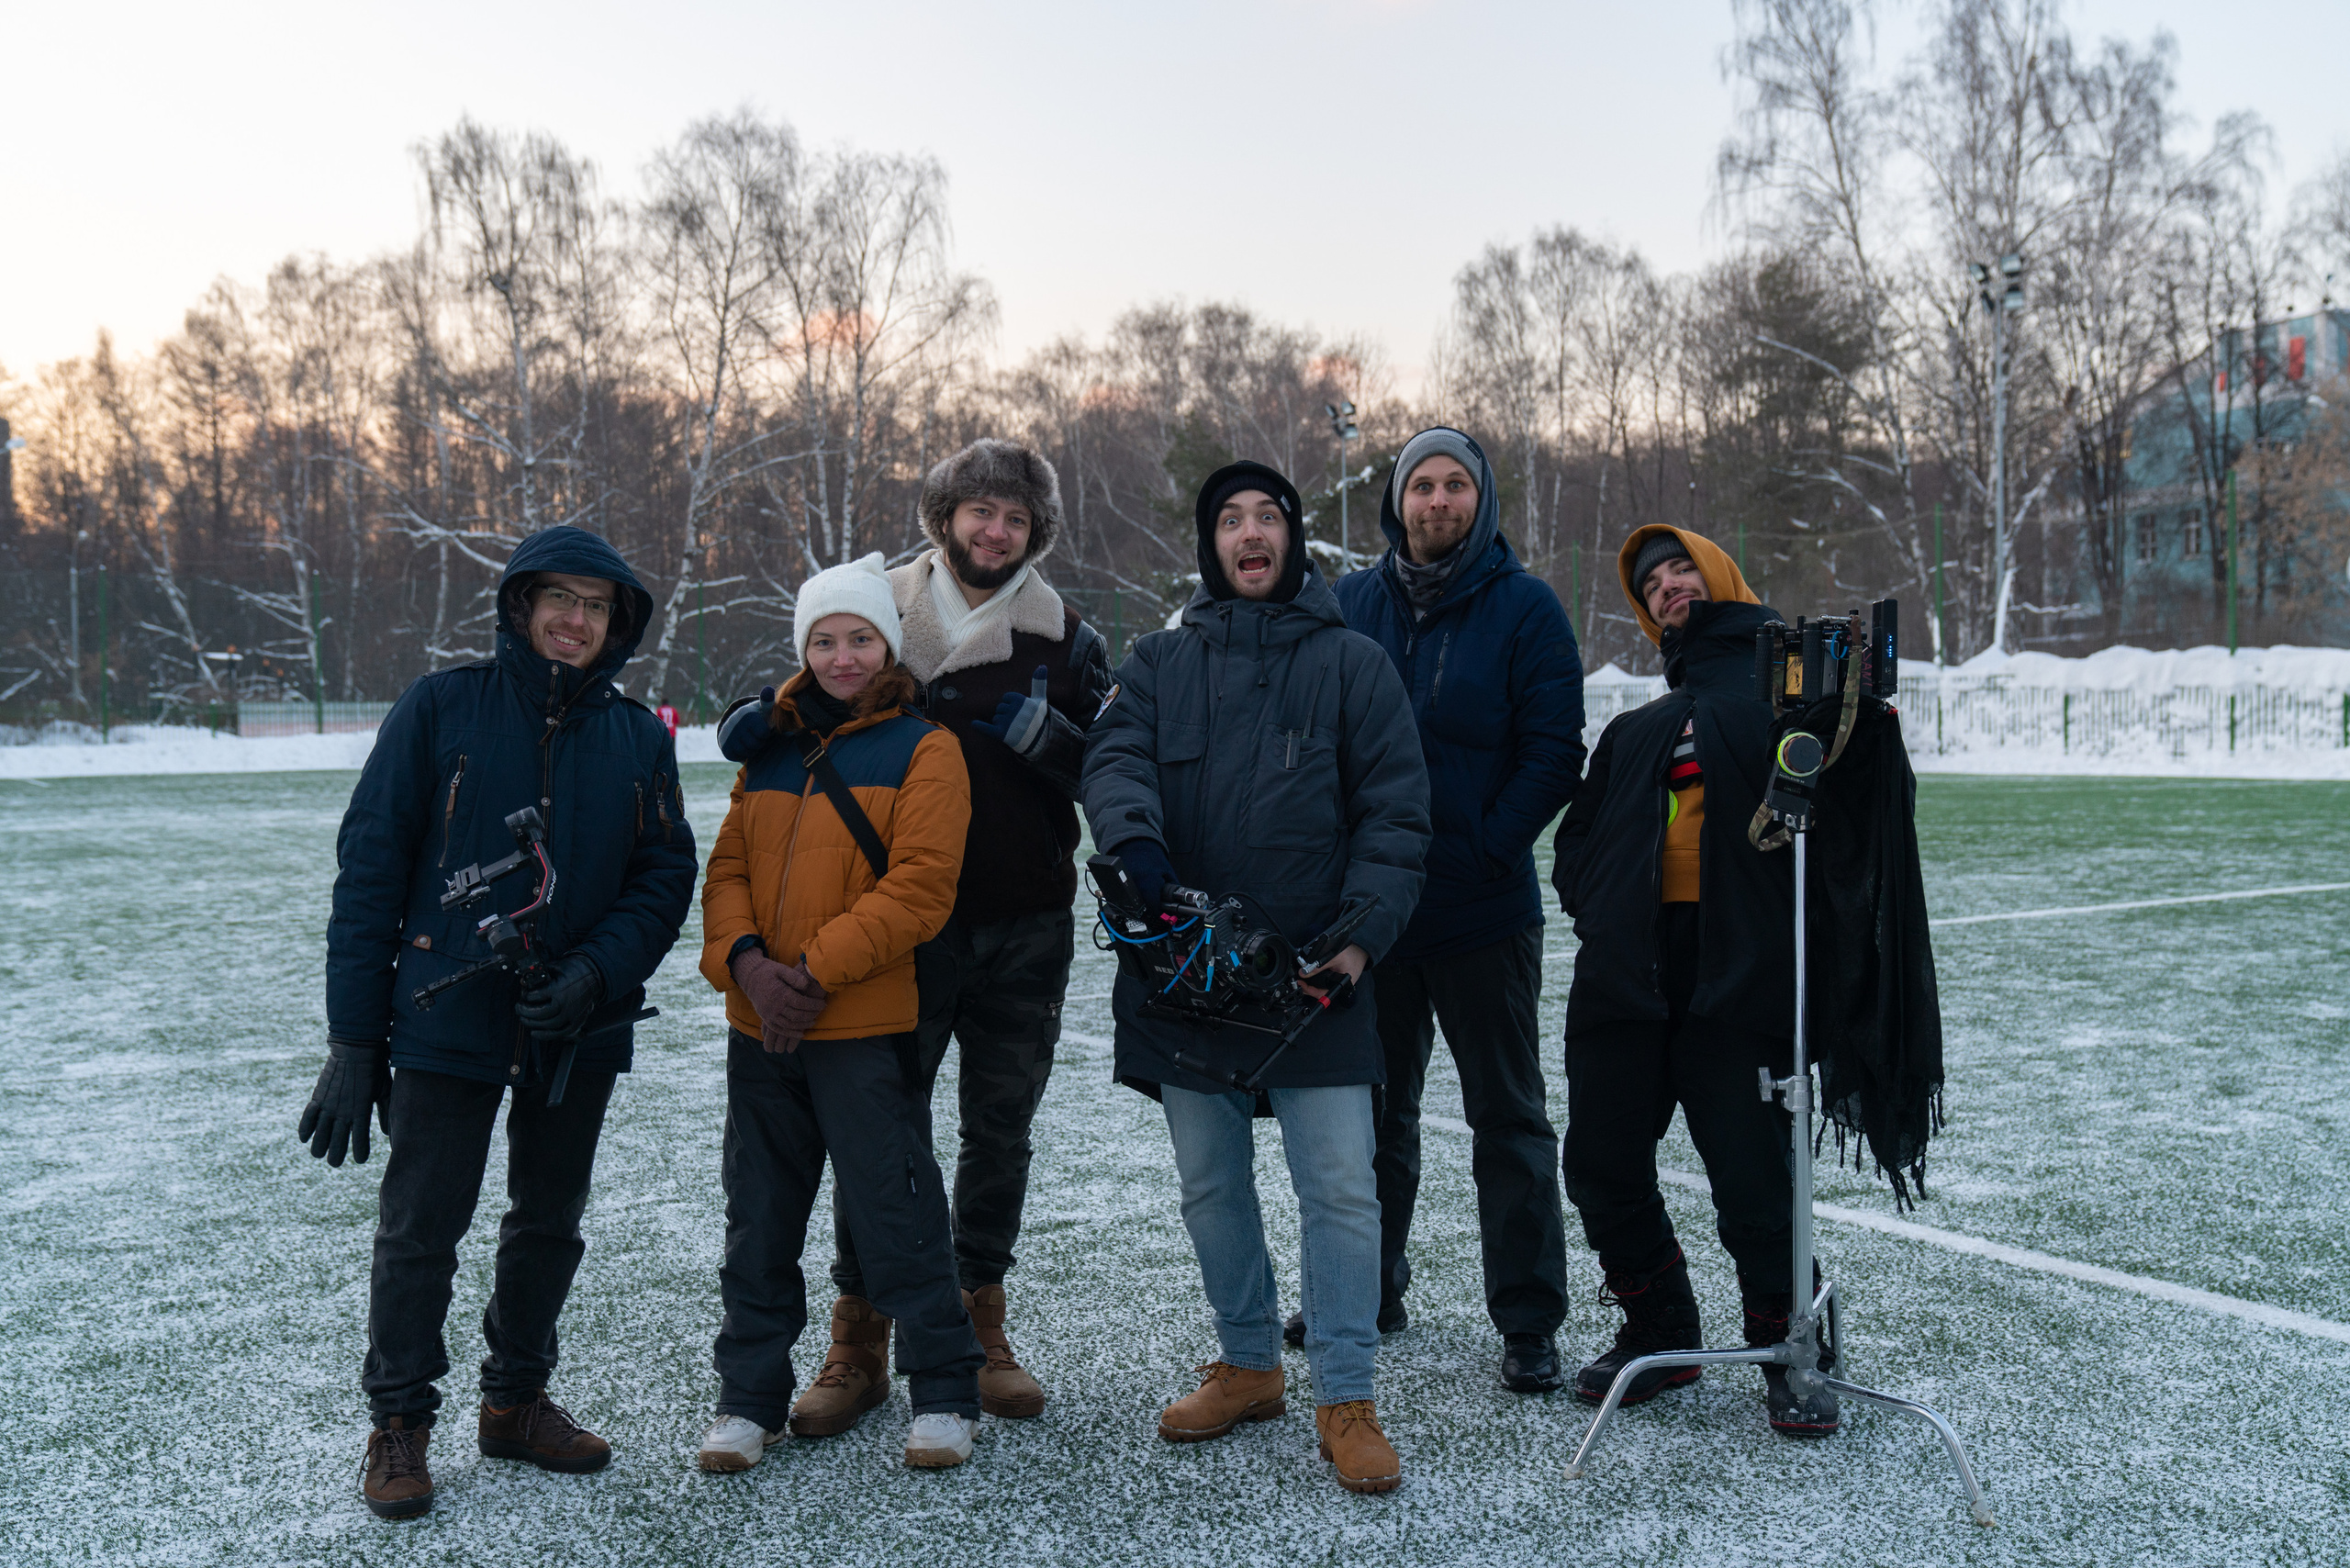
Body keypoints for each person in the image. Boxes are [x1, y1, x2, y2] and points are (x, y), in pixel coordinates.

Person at [307, 525, 697, 1520]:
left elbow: (663, 876)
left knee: (547, 1223)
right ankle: (399, 1422)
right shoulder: (441, 708)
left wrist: (595, 974)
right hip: (447, 1016)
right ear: (521, 606)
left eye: (597, 605)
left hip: (579, 1024)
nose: (575, 619)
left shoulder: (638, 737)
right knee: (418, 1231)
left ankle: (515, 1400)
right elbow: (370, 873)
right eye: (559, 598)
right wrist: (355, 1038)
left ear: (618, 623)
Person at [1081, 461, 1431, 1495]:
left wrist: (1359, 941)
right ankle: (1246, 1364)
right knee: (1209, 1183)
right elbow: (1114, 763)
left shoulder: (1354, 664)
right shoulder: (1155, 663)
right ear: (1209, 543)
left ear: (1293, 539)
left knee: (1338, 1188)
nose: (1247, 533)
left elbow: (1396, 815)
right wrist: (1135, 851)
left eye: (1266, 516)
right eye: (1228, 519)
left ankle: (1345, 1393)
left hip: (1314, 972)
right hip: (1183, 969)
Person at [795, 439, 1109, 1432]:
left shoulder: (1068, 637)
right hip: (897, 924)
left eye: (1014, 516)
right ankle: (860, 1331)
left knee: (998, 1130)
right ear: (945, 517)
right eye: (979, 510)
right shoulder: (881, 608)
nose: (994, 529)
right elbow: (813, 697)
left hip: (1024, 922)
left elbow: (1112, 767)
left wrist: (1055, 744)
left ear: (1035, 532)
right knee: (879, 1130)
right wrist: (759, 718)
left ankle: (979, 1320)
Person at [693, 552, 990, 1473]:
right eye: (824, 638)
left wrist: (812, 971)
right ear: (803, 648)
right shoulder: (770, 749)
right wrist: (747, 967)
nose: (842, 654)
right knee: (760, 1221)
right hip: (762, 1029)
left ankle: (943, 1391)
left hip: (860, 1025)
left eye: (860, 635)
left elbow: (920, 890)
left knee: (895, 1214)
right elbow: (728, 871)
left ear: (889, 644)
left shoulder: (924, 749)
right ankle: (749, 1401)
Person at [1549, 524, 1839, 1437]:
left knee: (1752, 1176)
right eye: (1652, 582)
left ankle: (1792, 1349)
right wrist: (1604, 914)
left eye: (1683, 569)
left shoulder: (1789, 705)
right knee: (1597, 1159)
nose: (1670, 586)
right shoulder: (1637, 727)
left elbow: (1847, 828)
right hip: (1627, 975)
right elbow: (1576, 845)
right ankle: (1660, 1326)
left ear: (1720, 577)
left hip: (1738, 972)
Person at [1327, 427, 1585, 1394]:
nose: (1437, 501)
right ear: (1398, 501)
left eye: (1454, 486)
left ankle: (1526, 1320)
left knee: (1508, 1120)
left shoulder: (1525, 608)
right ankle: (1369, 1288)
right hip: (1375, 915)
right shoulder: (1349, 602)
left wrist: (1481, 845)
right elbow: (1319, 734)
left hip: (1483, 912)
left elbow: (1554, 749)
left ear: (1480, 500)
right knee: (1368, 1117)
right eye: (1420, 486)